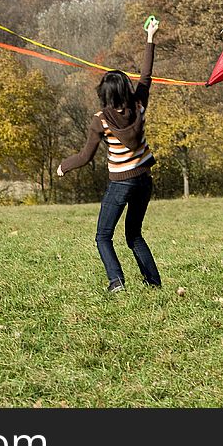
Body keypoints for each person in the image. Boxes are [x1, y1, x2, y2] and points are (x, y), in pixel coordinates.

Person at [57, 18, 161, 293]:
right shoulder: (139, 104)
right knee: (134, 234)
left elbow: (85, 157)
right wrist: (150, 36)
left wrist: (63, 167)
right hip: (144, 179)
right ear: (126, 90)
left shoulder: (100, 119)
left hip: (121, 183)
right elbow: (146, 75)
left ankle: (116, 282)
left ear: (104, 94)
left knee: (103, 236)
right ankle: (153, 284)